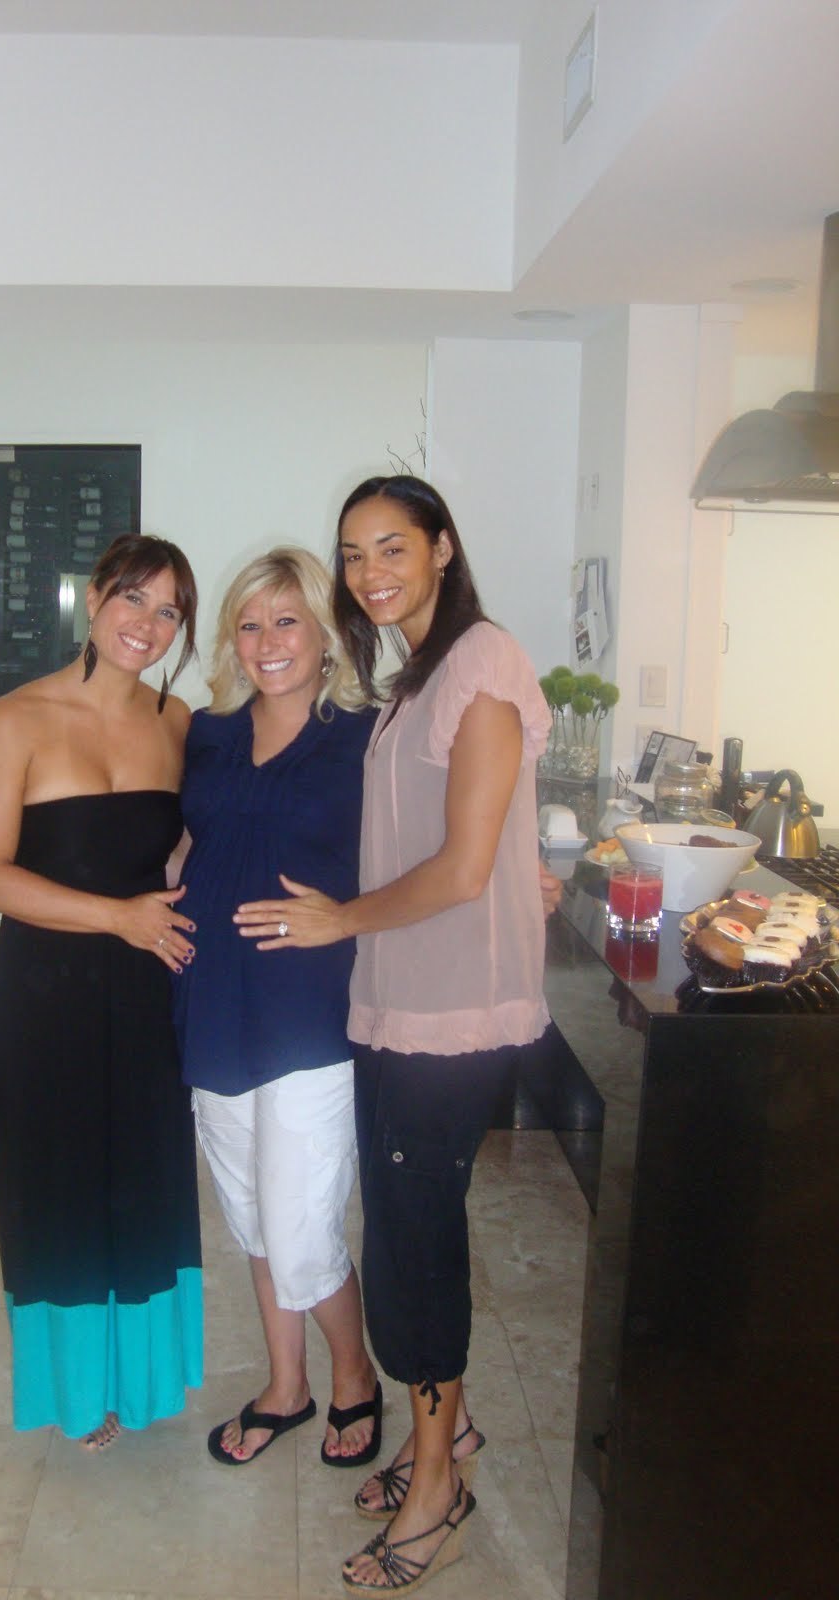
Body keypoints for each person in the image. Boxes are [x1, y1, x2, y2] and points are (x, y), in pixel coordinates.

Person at [234, 476, 552, 1595]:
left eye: (392, 547)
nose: (370, 572)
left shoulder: (483, 663)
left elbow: (462, 867)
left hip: (451, 1010)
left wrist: (342, 919)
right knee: (402, 1232)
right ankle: (444, 1434)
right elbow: (464, 835)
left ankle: (436, 1493)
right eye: (354, 552)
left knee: (416, 1247)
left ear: (442, 548)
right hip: (398, 999)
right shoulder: (415, 674)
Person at [0, 533, 204, 1451]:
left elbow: (188, 844)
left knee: (140, 1180)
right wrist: (116, 917)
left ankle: (142, 1375)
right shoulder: (15, 720)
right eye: (134, 598)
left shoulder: (178, 722)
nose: (148, 623)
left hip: (147, 988)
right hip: (45, 990)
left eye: (169, 610)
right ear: (94, 598)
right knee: (57, 1182)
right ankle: (77, 1386)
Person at [173, 548, 384, 1468]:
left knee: (301, 1233)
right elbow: (189, 838)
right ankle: (287, 1386)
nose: (267, 642)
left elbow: (431, 845)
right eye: (250, 624)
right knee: (254, 1215)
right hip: (211, 1000)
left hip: (310, 1013)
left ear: (325, 634)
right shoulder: (208, 732)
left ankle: (355, 1376)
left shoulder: (367, 737)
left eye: (287, 620)